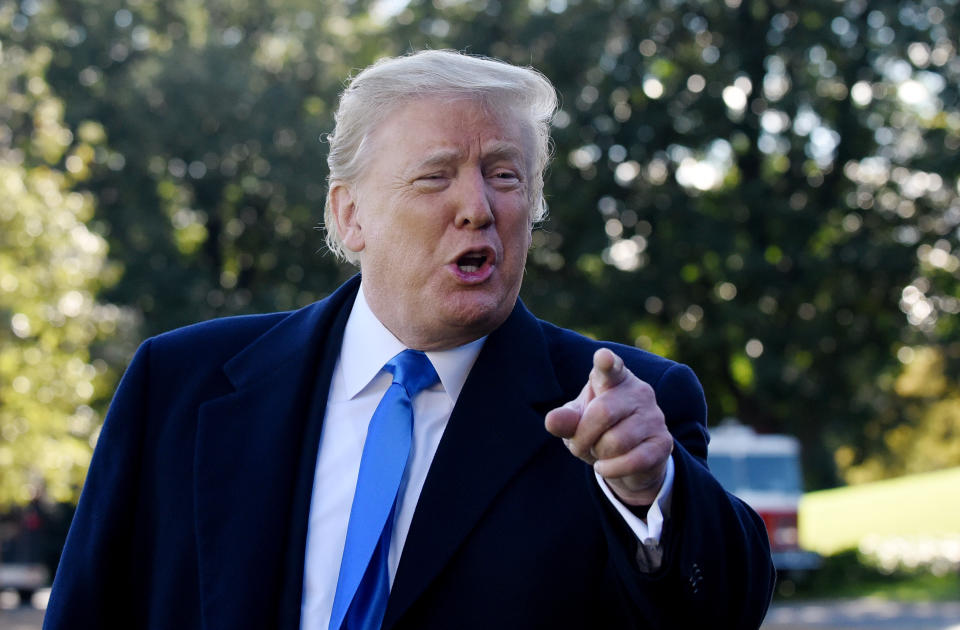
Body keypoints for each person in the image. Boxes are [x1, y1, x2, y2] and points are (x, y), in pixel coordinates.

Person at [44, 50, 774, 629]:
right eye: (435, 178)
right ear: (349, 214)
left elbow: (717, 611)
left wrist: (652, 491)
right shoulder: (178, 384)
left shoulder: (623, 410)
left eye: (505, 175)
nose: (478, 207)